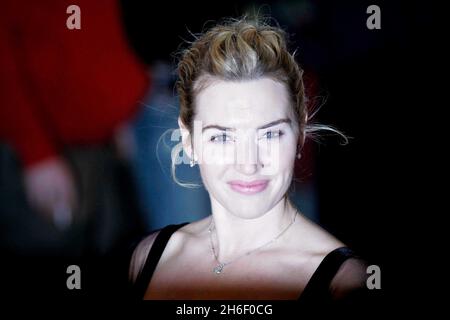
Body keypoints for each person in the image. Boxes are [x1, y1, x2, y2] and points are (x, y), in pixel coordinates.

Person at [129, 17, 369, 301]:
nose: (248, 164)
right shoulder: (150, 257)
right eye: (222, 137)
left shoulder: (343, 284)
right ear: (188, 141)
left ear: (300, 133)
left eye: (269, 135)